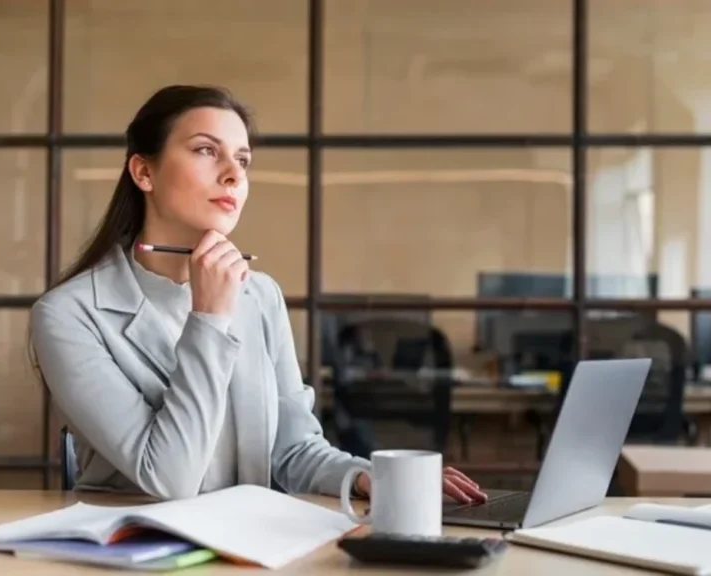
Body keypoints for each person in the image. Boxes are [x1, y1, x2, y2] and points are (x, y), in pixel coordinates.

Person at [29, 84, 487, 504]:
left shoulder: (260, 296)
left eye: (243, 160)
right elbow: (168, 478)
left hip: (247, 550)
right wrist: (208, 318)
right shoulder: (68, 315)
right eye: (207, 151)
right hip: (131, 552)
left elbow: (294, 451)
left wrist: (368, 476)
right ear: (143, 172)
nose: (233, 175)